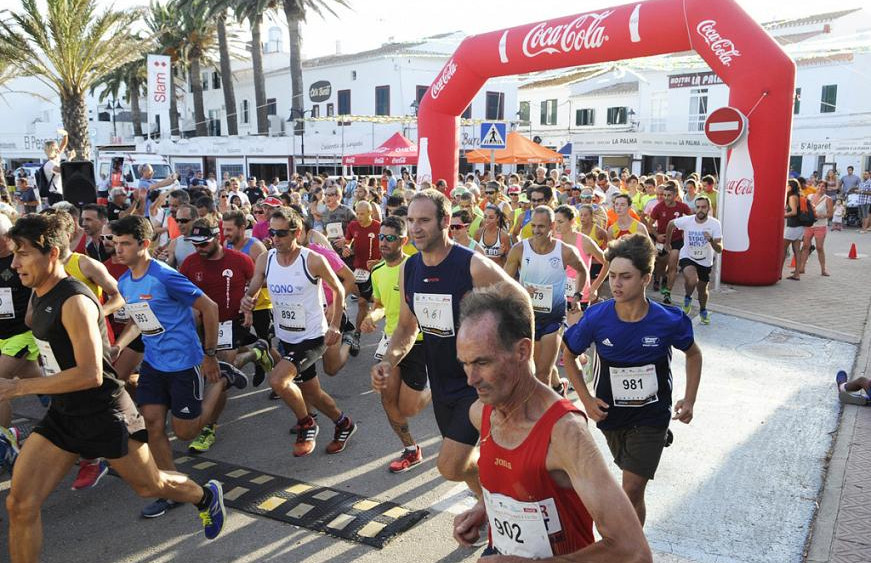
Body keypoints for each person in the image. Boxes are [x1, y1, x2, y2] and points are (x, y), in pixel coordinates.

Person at [1, 214, 226, 562]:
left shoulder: (75, 301)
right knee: (19, 503)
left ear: (53, 253)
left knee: (151, 484)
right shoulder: (39, 293)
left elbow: (91, 375)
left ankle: (205, 497)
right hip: (64, 413)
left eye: (24, 254)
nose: (14, 263)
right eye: (14, 253)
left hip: (104, 414)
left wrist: (17, 388)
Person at [452, 282, 652, 561]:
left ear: (522, 351)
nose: (470, 379)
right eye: (465, 363)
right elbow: (518, 485)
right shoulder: (482, 412)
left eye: (482, 363)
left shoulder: (565, 433)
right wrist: (485, 510)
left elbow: (634, 551)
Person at [372, 189, 518, 499]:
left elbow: (519, 300)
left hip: (477, 383)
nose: (415, 228)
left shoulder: (472, 265)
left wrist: (522, 358)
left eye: (424, 220)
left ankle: (501, 496)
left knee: (450, 466)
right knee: (461, 466)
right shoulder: (409, 268)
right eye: (410, 220)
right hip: (440, 382)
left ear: (444, 221)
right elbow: (407, 327)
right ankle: (492, 509)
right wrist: (388, 361)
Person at [111, 215, 247, 518]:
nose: (118, 249)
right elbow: (138, 318)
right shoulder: (124, 281)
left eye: (125, 244)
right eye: (115, 243)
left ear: (144, 245)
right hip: (154, 363)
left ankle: (222, 380)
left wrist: (210, 356)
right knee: (153, 425)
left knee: (185, 433)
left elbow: (209, 307)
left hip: (185, 362)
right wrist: (119, 345)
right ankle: (171, 488)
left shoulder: (164, 276)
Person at [562, 233, 702, 526]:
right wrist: (586, 400)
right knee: (632, 490)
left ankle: (628, 551)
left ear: (646, 279)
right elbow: (569, 355)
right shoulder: (597, 317)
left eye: (625, 277)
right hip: (611, 416)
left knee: (631, 489)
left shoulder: (668, 320)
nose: (616, 284)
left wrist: (689, 400)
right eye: (612, 276)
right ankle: (633, 546)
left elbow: (693, 354)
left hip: (652, 415)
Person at [241, 207, 357, 457]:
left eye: (282, 233)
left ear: (298, 232)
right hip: (287, 336)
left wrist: (335, 324)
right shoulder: (266, 258)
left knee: (278, 380)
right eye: (272, 232)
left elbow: (338, 288)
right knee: (312, 392)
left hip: (314, 336)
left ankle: (307, 425)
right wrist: (247, 299)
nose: (275, 238)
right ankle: (343, 423)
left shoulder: (312, 259)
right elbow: (254, 284)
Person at [179, 218, 271, 452]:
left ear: (217, 237)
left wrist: (248, 303)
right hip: (200, 326)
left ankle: (208, 428)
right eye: (195, 244)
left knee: (217, 376)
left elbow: (257, 282)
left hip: (231, 322)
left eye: (203, 243)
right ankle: (255, 352)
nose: (199, 248)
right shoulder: (189, 264)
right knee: (207, 370)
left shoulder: (240, 260)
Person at [361, 216, 431, 473]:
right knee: (387, 397)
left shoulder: (417, 266)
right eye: (381, 237)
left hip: (420, 340)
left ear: (403, 240)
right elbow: (379, 306)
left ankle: (434, 384)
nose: (383, 243)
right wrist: (371, 316)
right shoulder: (377, 271)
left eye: (390, 238)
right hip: (392, 340)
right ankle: (411, 449)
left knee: (408, 407)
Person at [504, 206, 587, 394]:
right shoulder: (519, 249)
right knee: (530, 369)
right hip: (526, 318)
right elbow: (505, 283)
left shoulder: (565, 251)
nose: (536, 231)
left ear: (552, 226)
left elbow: (582, 270)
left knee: (542, 373)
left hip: (553, 318)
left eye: (541, 226)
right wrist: (522, 290)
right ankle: (559, 387)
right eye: (533, 226)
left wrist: (577, 295)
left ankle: (544, 417)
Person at [0, 212, 42, 429]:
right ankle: (55, 396)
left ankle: (4, 442)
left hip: (21, 332)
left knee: (0, 381)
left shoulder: (21, 258)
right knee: (31, 375)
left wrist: (31, 315)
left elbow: (39, 286)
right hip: (1, 332)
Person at [666, 196, 723, 324]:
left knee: (702, 290)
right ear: (694, 208)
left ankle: (703, 309)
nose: (700, 210)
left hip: (705, 260)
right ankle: (687, 297)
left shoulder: (715, 224)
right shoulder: (687, 221)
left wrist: (711, 241)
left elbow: (719, 249)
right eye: (698, 207)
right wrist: (667, 243)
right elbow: (670, 224)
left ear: (709, 208)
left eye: (703, 207)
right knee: (692, 280)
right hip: (688, 256)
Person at [343, 200, 381, 357]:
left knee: (375, 302)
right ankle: (357, 334)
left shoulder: (379, 227)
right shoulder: (352, 226)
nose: (359, 216)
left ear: (370, 213)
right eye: (357, 213)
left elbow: (389, 248)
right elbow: (347, 241)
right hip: (360, 270)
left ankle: (376, 321)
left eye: (362, 214)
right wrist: (346, 248)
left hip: (378, 270)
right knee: (362, 302)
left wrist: (379, 261)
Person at [554, 205, 609, 309]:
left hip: (579, 297)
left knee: (576, 325)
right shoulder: (554, 239)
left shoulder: (585, 242)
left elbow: (607, 263)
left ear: (572, 221)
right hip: (557, 295)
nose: (557, 225)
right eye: (555, 221)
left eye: (561, 222)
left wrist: (595, 286)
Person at [648, 183, 691, 304]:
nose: (666, 198)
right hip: (662, 240)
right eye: (664, 195)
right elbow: (650, 224)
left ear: (675, 196)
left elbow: (692, 219)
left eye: (669, 195)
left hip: (676, 240)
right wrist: (657, 236)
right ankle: (662, 278)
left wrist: (686, 230)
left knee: (672, 266)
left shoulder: (682, 207)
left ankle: (668, 292)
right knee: (661, 265)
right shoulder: (658, 207)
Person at [797, 182, 833, 277]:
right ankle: (801, 268)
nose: (821, 188)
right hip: (809, 225)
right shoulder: (809, 196)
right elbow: (804, 208)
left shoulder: (828, 199)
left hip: (820, 226)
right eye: (819, 186)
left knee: (819, 248)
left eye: (823, 186)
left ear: (826, 188)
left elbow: (830, 214)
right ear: (816, 187)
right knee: (805, 246)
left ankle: (823, 270)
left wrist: (821, 216)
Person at [783, 179, 804, 281]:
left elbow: (794, 212)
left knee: (783, 249)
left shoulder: (792, 197)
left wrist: (783, 215)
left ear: (790, 187)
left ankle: (778, 273)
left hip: (793, 226)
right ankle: (797, 273)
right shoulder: (799, 196)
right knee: (796, 250)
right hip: (800, 226)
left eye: (787, 186)